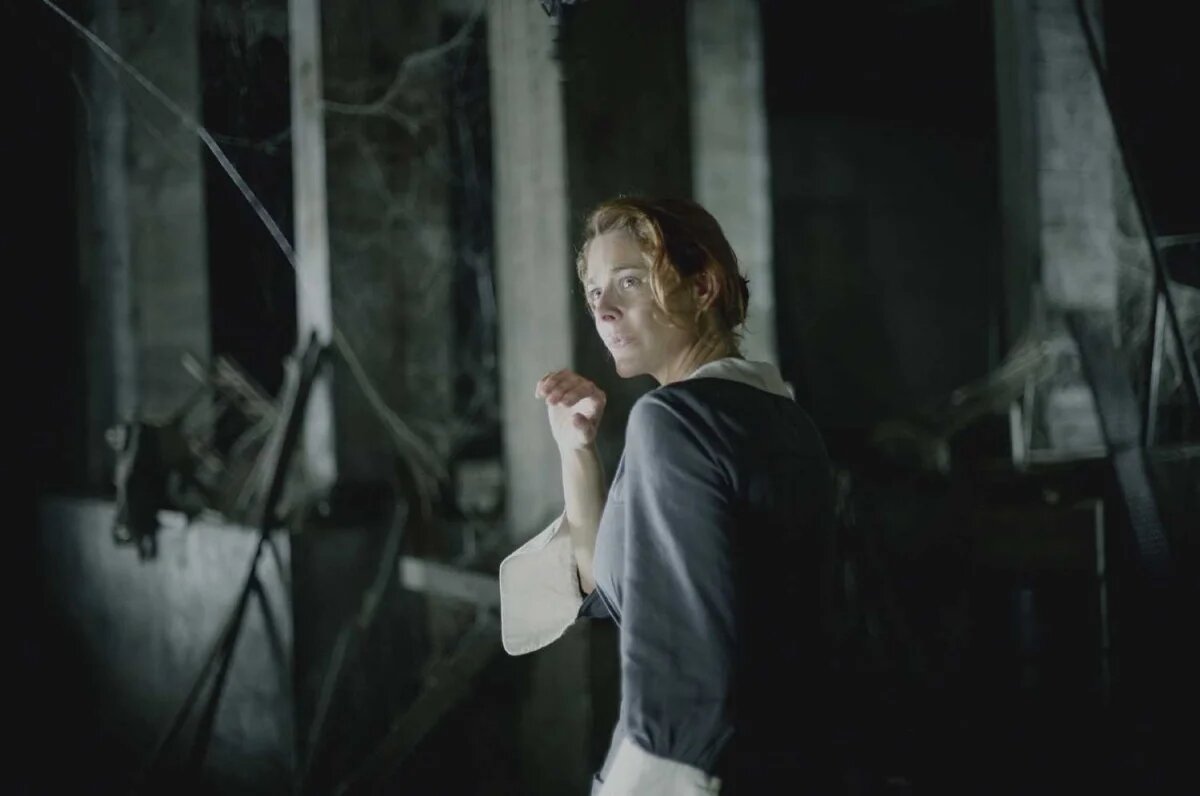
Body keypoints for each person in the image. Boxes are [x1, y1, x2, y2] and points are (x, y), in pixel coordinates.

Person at [499, 197, 836, 794]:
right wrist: (577, 450)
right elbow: (619, 586)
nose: (603, 308)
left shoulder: (674, 420)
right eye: (594, 291)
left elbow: (680, 683)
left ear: (702, 286)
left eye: (628, 281)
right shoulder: (785, 419)